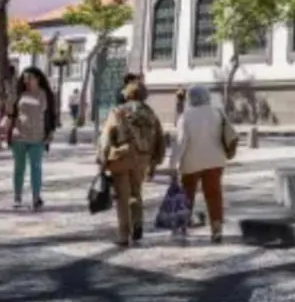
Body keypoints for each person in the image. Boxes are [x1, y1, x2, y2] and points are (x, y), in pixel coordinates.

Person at [98, 80, 166, 248]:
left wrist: (102, 159)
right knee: (136, 192)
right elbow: (160, 139)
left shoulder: (118, 111)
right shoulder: (151, 114)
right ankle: (137, 223)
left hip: (122, 157)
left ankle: (124, 234)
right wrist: (155, 161)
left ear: (127, 94)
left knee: (122, 197)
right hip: (143, 158)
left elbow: (106, 137)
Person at [170, 85, 236, 244]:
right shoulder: (217, 112)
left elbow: (181, 142)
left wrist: (173, 164)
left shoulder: (186, 116)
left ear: (191, 98)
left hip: (191, 162)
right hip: (215, 160)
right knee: (214, 195)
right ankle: (216, 229)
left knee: (187, 196)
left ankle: (182, 227)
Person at [9, 67, 57, 211]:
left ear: (37, 79)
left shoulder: (46, 95)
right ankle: (17, 197)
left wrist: (51, 132)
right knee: (19, 167)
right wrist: (12, 127)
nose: (26, 81)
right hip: (19, 136)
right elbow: (11, 113)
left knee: (36, 167)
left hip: (38, 136)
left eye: (29, 78)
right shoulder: (20, 94)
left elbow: (52, 115)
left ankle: (36, 197)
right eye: (24, 78)